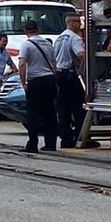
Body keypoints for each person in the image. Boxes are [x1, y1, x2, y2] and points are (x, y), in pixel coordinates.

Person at [17, 20, 58, 153]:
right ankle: (50, 143)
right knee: (50, 112)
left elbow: (22, 64)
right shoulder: (47, 43)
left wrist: (23, 82)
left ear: (25, 31)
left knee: (33, 113)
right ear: (38, 29)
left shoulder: (27, 45)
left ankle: (32, 144)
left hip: (35, 80)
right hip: (49, 79)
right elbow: (53, 64)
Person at [53, 13, 87, 148]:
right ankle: (80, 137)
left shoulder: (59, 37)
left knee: (63, 109)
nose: (80, 25)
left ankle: (65, 139)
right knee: (78, 108)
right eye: (78, 22)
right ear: (72, 23)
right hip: (71, 76)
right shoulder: (75, 38)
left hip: (59, 75)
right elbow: (80, 54)